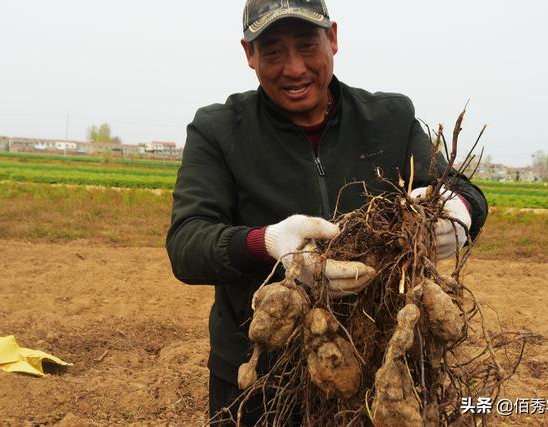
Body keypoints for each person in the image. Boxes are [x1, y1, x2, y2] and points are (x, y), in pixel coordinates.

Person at [166, 0, 487, 424]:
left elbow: (461, 189)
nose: (294, 68)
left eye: (307, 46)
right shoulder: (219, 129)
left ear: (333, 38)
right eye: (274, 51)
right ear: (249, 54)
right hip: (259, 383)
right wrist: (268, 244)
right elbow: (187, 242)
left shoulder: (390, 118)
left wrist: (458, 212)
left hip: (377, 372)